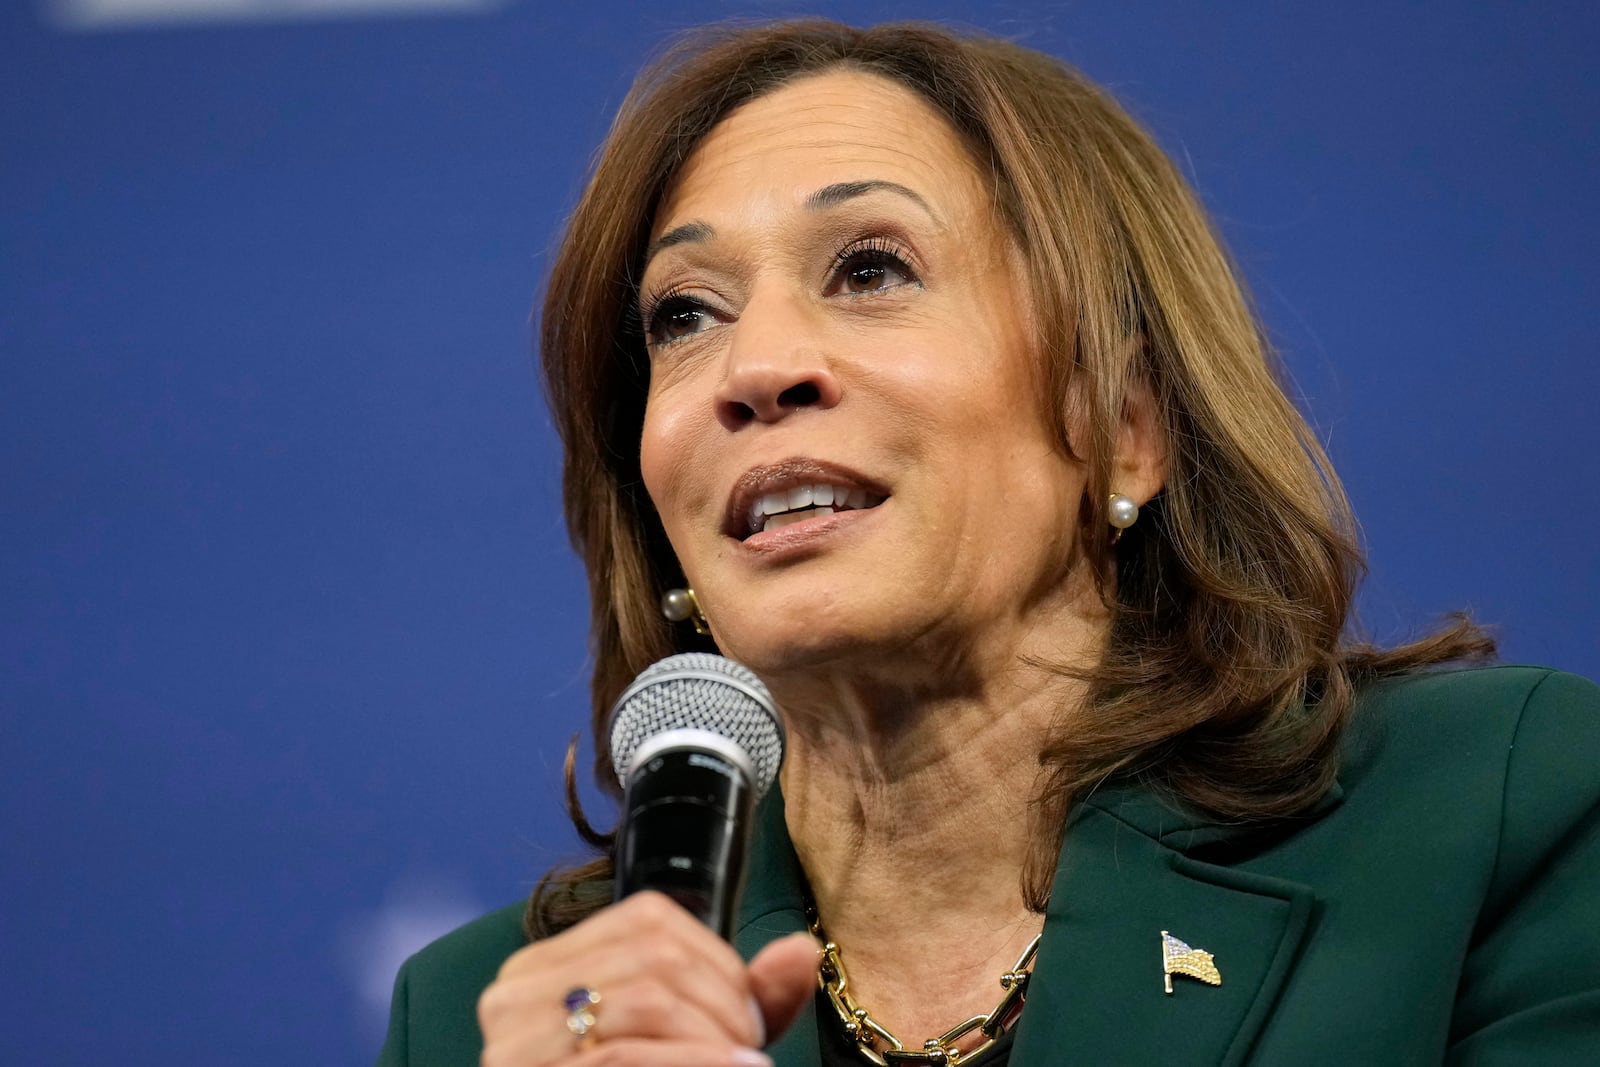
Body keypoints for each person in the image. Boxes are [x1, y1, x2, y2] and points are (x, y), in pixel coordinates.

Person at [376, 19, 1600, 1067]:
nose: (753, 370)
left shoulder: (1488, 816)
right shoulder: (499, 1014)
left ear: (1125, 429)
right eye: (683, 315)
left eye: (868, 268)